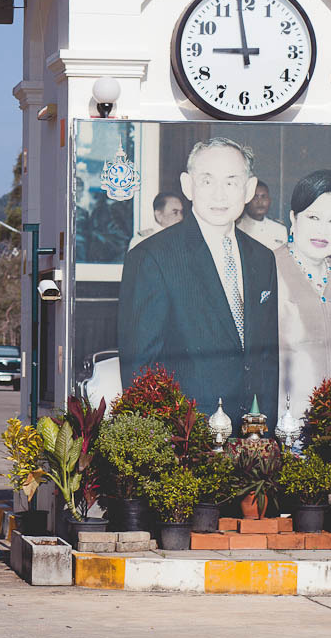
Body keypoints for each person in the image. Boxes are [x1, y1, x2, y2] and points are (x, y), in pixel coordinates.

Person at [117, 137, 279, 430]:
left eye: (231, 182)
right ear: (187, 185)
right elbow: (140, 370)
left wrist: (266, 438)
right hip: (186, 441)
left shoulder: (263, 258)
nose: (220, 195)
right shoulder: (152, 257)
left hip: (251, 441)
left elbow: (266, 360)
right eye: (207, 181)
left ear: (249, 189)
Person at [275, 169, 331, 423]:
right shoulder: (268, 268)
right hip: (282, 424)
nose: (323, 230)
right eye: (313, 217)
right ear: (293, 218)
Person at [237, 180, 288, 250]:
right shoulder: (237, 228)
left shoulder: (279, 230)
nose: (260, 202)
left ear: (269, 200)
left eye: (263, 196)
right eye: (255, 197)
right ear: (247, 200)